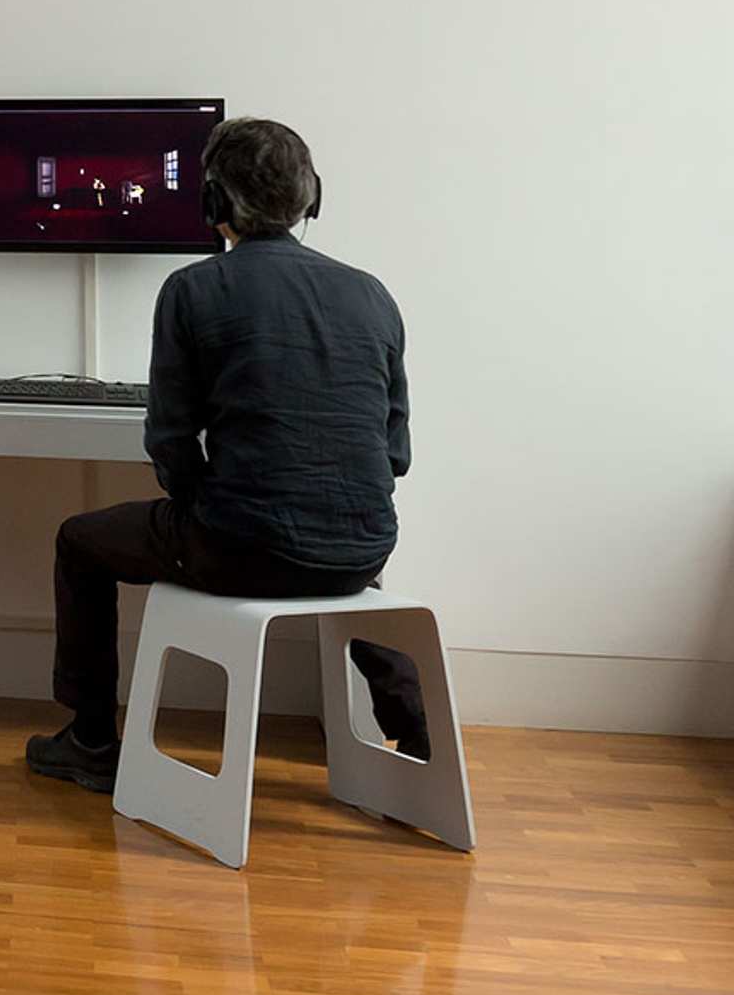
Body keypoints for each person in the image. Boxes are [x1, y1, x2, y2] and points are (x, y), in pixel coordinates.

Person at [24, 115, 431, 794]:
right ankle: (417, 736)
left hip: (241, 548)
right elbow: (394, 454)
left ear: (213, 204)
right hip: (363, 550)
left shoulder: (192, 290)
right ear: (312, 198)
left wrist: (207, 509)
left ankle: (92, 741)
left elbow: (171, 444)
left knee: (79, 540)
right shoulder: (373, 295)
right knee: (341, 547)